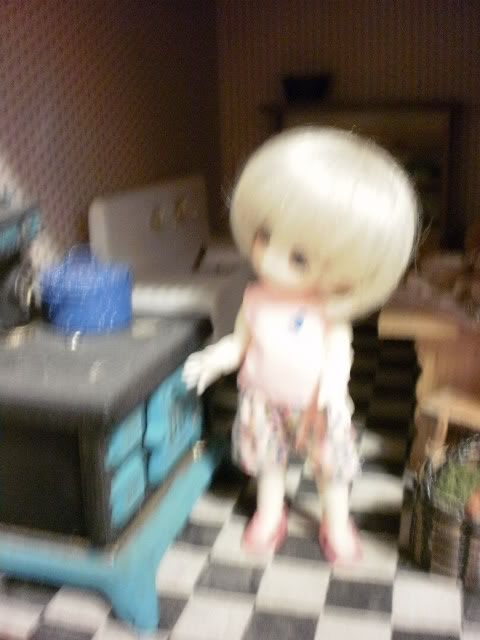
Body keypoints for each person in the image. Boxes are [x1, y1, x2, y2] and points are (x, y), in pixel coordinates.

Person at [183, 127, 418, 563]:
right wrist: (216, 358)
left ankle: (336, 521)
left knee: (330, 469)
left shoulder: (328, 309)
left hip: (316, 404)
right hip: (262, 400)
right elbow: (240, 341)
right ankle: (271, 514)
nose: (270, 258)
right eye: (265, 235)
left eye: (299, 257)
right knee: (269, 465)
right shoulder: (255, 297)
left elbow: (339, 354)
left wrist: (331, 390)